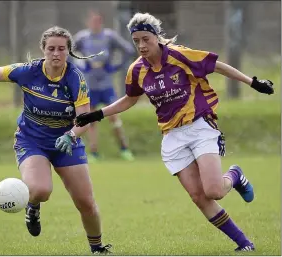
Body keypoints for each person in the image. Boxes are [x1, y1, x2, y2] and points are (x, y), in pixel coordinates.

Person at [74, 12, 274, 252]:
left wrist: (253, 82)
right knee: (199, 198)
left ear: (157, 37)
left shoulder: (180, 55)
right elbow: (130, 99)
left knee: (214, 191)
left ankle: (235, 175)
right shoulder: (137, 70)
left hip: (200, 126)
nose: (141, 45)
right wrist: (97, 114)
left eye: (145, 39)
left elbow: (217, 66)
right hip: (172, 136)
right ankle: (244, 244)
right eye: (136, 40)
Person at [0, 26, 112, 254]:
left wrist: (70, 136)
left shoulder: (76, 78)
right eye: (51, 49)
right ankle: (33, 207)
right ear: (43, 50)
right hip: (32, 141)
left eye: (61, 49)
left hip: (67, 143)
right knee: (40, 190)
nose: (56, 53)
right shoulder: (28, 71)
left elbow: (84, 120)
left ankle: (97, 248)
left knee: (86, 203)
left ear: (68, 51)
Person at [73, 9, 136, 162]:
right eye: (92, 21)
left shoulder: (109, 36)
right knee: (91, 120)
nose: (95, 24)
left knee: (114, 118)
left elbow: (128, 50)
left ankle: (124, 149)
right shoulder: (82, 37)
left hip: (106, 85)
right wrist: (81, 66)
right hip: (90, 86)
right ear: (88, 22)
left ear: (101, 21)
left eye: (98, 20)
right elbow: (69, 51)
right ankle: (94, 153)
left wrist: (115, 66)